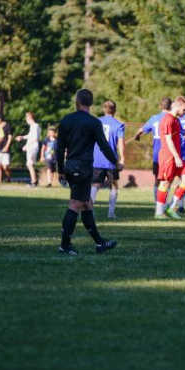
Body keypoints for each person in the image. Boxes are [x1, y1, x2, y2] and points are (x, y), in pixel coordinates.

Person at [57, 89, 122, 256]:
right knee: (75, 204)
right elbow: (104, 146)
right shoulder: (94, 122)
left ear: (77, 102)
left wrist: (60, 170)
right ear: (91, 104)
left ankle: (100, 243)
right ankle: (64, 246)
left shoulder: (66, 120)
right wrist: (116, 162)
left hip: (71, 167)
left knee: (87, 204)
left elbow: (60, 148)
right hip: (83, 168)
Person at [155, 96, 185, 220]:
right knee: (165, 182)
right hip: (168, 156)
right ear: (177, 106)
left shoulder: (176, 119)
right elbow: (168, 139)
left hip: (177, 156)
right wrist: (176, 157)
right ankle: (159, 212)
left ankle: (171, 208)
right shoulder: (167, 119)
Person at [132, 97, 172, 203]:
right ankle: (165, 203)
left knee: (157, 180)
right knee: (168, 180)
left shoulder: (154, 118)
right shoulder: (172, 117)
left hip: (157, 154)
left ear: (160, 106)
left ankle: (157, 203)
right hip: (169, 153)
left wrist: (137, 136)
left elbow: (141, 130)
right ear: (171, 106)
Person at [91, 100, 125, 218]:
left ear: (103, 109)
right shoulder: (119, 124)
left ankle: (89, 211)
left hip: (97, 160)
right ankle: (111, 213)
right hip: (111, 161)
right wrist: (122, 159)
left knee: (95, 185)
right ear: (115, 110)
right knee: (114, 186)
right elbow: (121, 142)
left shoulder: (96, 122)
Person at [15, 111, 41, 187]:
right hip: (32, 147)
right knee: (30, 164)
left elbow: (35, 138)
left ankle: (34, 181)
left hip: (32, 147)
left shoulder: (35, 126)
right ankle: (34, 181)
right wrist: (22, 137)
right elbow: (30, 136)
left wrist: (27, 145)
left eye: (26, 117)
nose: (26, 119)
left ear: (30, 117)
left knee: (29, 164)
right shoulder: (33, 126)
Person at [0, 113, 12, 183]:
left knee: (5, 166)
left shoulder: (7, 126)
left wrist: (7, 146)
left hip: (5, 149)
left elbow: (10, 137)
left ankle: (9, 178)